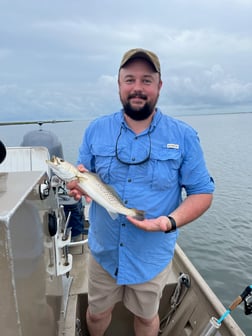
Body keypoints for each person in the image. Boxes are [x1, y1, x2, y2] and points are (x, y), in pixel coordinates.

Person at [68, 48, 215, 336]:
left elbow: (202, 193)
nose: (137, 88)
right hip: (103, 252)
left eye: (146, 80)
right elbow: (83, 174)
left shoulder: (183, 136)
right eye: (129, 79)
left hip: (151, 256)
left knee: (147, 319)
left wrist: (167, 222)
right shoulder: (96, 130)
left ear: (159, 86)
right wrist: (77, 187)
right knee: (97, 314)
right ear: (119, 84)